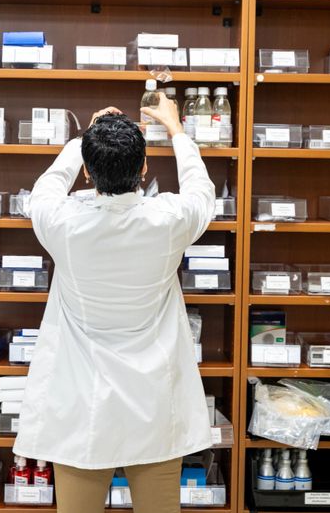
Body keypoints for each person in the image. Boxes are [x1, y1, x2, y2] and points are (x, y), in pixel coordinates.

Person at [13, 93, 216, 513]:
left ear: (87, 171)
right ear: (144, 167)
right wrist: (176, 129)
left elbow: (47, 186)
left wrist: (82, 139)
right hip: (154, 402)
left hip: (80, 403)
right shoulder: (169, 220)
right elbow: (202, 191)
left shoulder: (61, 222)